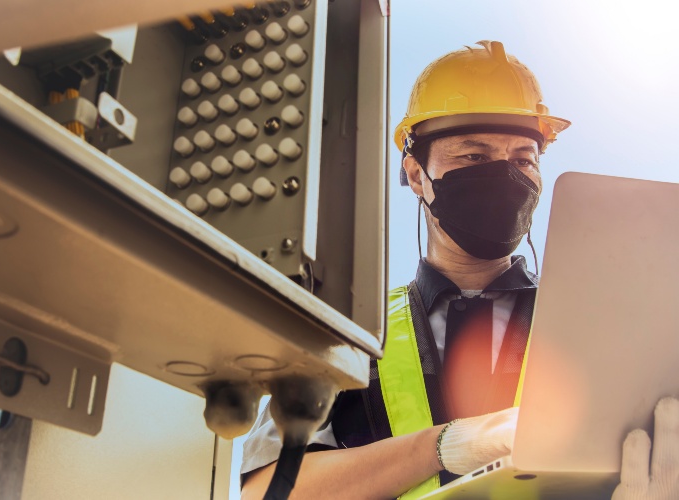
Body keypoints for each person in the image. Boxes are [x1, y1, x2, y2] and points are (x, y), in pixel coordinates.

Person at [240, 41, 679, 500]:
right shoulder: (349, 337)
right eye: (473, 156)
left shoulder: (602, 328)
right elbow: (268, 491)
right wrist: (444, 447)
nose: (504, 176)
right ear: (415, 174)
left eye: (523, 160)